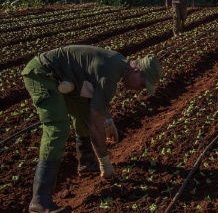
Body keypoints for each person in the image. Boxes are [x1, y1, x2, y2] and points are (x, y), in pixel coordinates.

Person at [21, 45, 163, 213]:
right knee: (57, 128)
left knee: (83, 115)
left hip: (66, 79)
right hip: (42, 73)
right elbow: (96, 122)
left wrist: (108, 120)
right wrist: (104, 160)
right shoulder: (111, 75)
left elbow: (95, 100)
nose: (140, 89)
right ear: (137, 70)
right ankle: (40, 201)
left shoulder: (118, 63)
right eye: (142, 84)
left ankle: (87, 163)